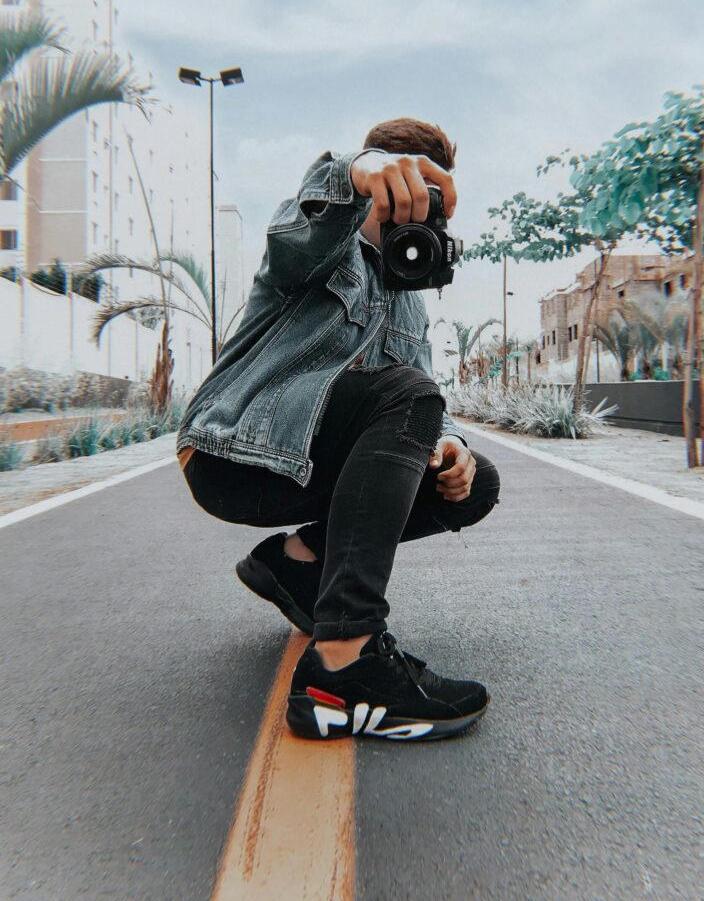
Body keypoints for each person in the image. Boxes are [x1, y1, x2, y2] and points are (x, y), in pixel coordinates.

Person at [177, 117, 501, 741]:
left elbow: (422, 395)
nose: (422, 216)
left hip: (314, 460)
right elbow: (296, 230)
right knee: (407, 394)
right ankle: (344, 666)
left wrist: (452, 444)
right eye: (411, 192)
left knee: (475, 482)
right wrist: (353, 175)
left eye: (435, 206)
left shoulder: (408, 295)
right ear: (382, 180)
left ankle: (297, 563)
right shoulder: (322, 245)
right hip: (236, 453)